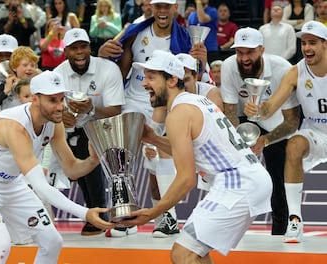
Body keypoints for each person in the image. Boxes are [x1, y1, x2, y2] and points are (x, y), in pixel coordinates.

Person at [122, 49, 272, 263]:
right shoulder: (198, 101)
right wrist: (154, 139)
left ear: (172, 80)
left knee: (182, 254)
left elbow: (186, 179)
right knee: (195, 253)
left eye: (151, 77)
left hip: (237, 184)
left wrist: (153, 213)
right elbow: (192, 152)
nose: (144, 83)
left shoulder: (179, 114)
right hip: (249, 177)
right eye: (145, 76)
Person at [0, 70, 114, 263]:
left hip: (11, 183)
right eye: (52, 100)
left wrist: (93, 160)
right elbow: (42, 188)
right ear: (34, 99)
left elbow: (72, 169)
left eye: (61, 99)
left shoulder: (53, 122)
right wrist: (85, 212)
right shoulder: (15, 127)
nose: (60, 107)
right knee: (0, 247)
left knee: (52, 242)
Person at [98, 0, 208, 238]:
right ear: (150, 7)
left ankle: (166, 218)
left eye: (166, 6)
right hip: (134, 100)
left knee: (158, 159)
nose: (161, 11)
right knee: (120, 158)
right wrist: (102, 56)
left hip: (164, 103)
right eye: (158, 6)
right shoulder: (135, 32)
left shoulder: (186, 38)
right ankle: (125, 216)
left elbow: (192, 76)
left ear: (174, 8)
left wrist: (204, 61)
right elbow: (121, 70)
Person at [244, 20, 327, 243]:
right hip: (316, 133)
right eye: (304, 43)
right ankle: (295, 220)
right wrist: (258, 110)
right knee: (294, 145)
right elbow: (272, 105)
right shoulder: (295, 72)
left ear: (325, 45)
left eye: (313, 43)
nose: (307, 48)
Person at [220, 27, 300, 235]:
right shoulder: (229, 66)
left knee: (278, 178)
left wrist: (265, 141)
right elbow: (229, 112)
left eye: (250, 52)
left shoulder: (283, 68)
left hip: (277, 125)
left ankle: (282, 230)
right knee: (233, 171)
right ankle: (229, 226)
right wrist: (239, 142)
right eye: (239, 52)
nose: (244, 58)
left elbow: (292, 122)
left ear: (262, 50)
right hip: (245, 120)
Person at [53, 28, 125, 236]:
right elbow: (52, 107)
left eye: (83, 47)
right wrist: (61, 117)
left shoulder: (108, 69)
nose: (79, 52)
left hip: (105, 126)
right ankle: (91, 210)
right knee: (75, 150)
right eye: (74, 48)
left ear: (90, 48)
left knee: (85, 143)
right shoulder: (58, 73)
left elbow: (115, 110)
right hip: (70, 129)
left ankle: (98, 210)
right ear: (66, 51)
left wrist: (90, 108)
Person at [0, 46, 39, 116]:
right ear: (14, 67)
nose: (29, 68)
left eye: (32, 65)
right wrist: (6, 91)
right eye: (25, 65)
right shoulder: (5, 86)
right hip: (8, 124)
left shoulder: (38, 86)